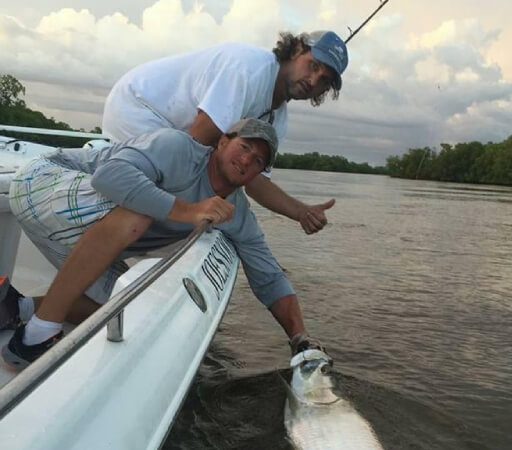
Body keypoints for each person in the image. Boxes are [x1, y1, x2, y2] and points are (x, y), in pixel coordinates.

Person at [1, 118, 321, 369]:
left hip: (74, 228)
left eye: (259, 160)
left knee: (126, 312)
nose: (248, 159)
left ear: (258, 174)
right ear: (222, 142)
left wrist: (300, 339)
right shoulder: (176, 147)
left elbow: (269, 277)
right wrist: (190, 211)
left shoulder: (237, 213)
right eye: (246, 146)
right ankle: (33, 338)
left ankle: (17, 306)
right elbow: (109, 177)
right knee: (135, 213)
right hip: (41, 181)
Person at [102, 30, 349, 235]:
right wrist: (194, 209)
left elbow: (255, 180)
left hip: (172, 132)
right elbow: (195, 144)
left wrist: (301, 212)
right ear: (296, 50)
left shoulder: (279, 118)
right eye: (313, 65)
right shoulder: (247, 69)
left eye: (325, 80)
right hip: (136, 108)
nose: (314, 80)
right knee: (193, 180)